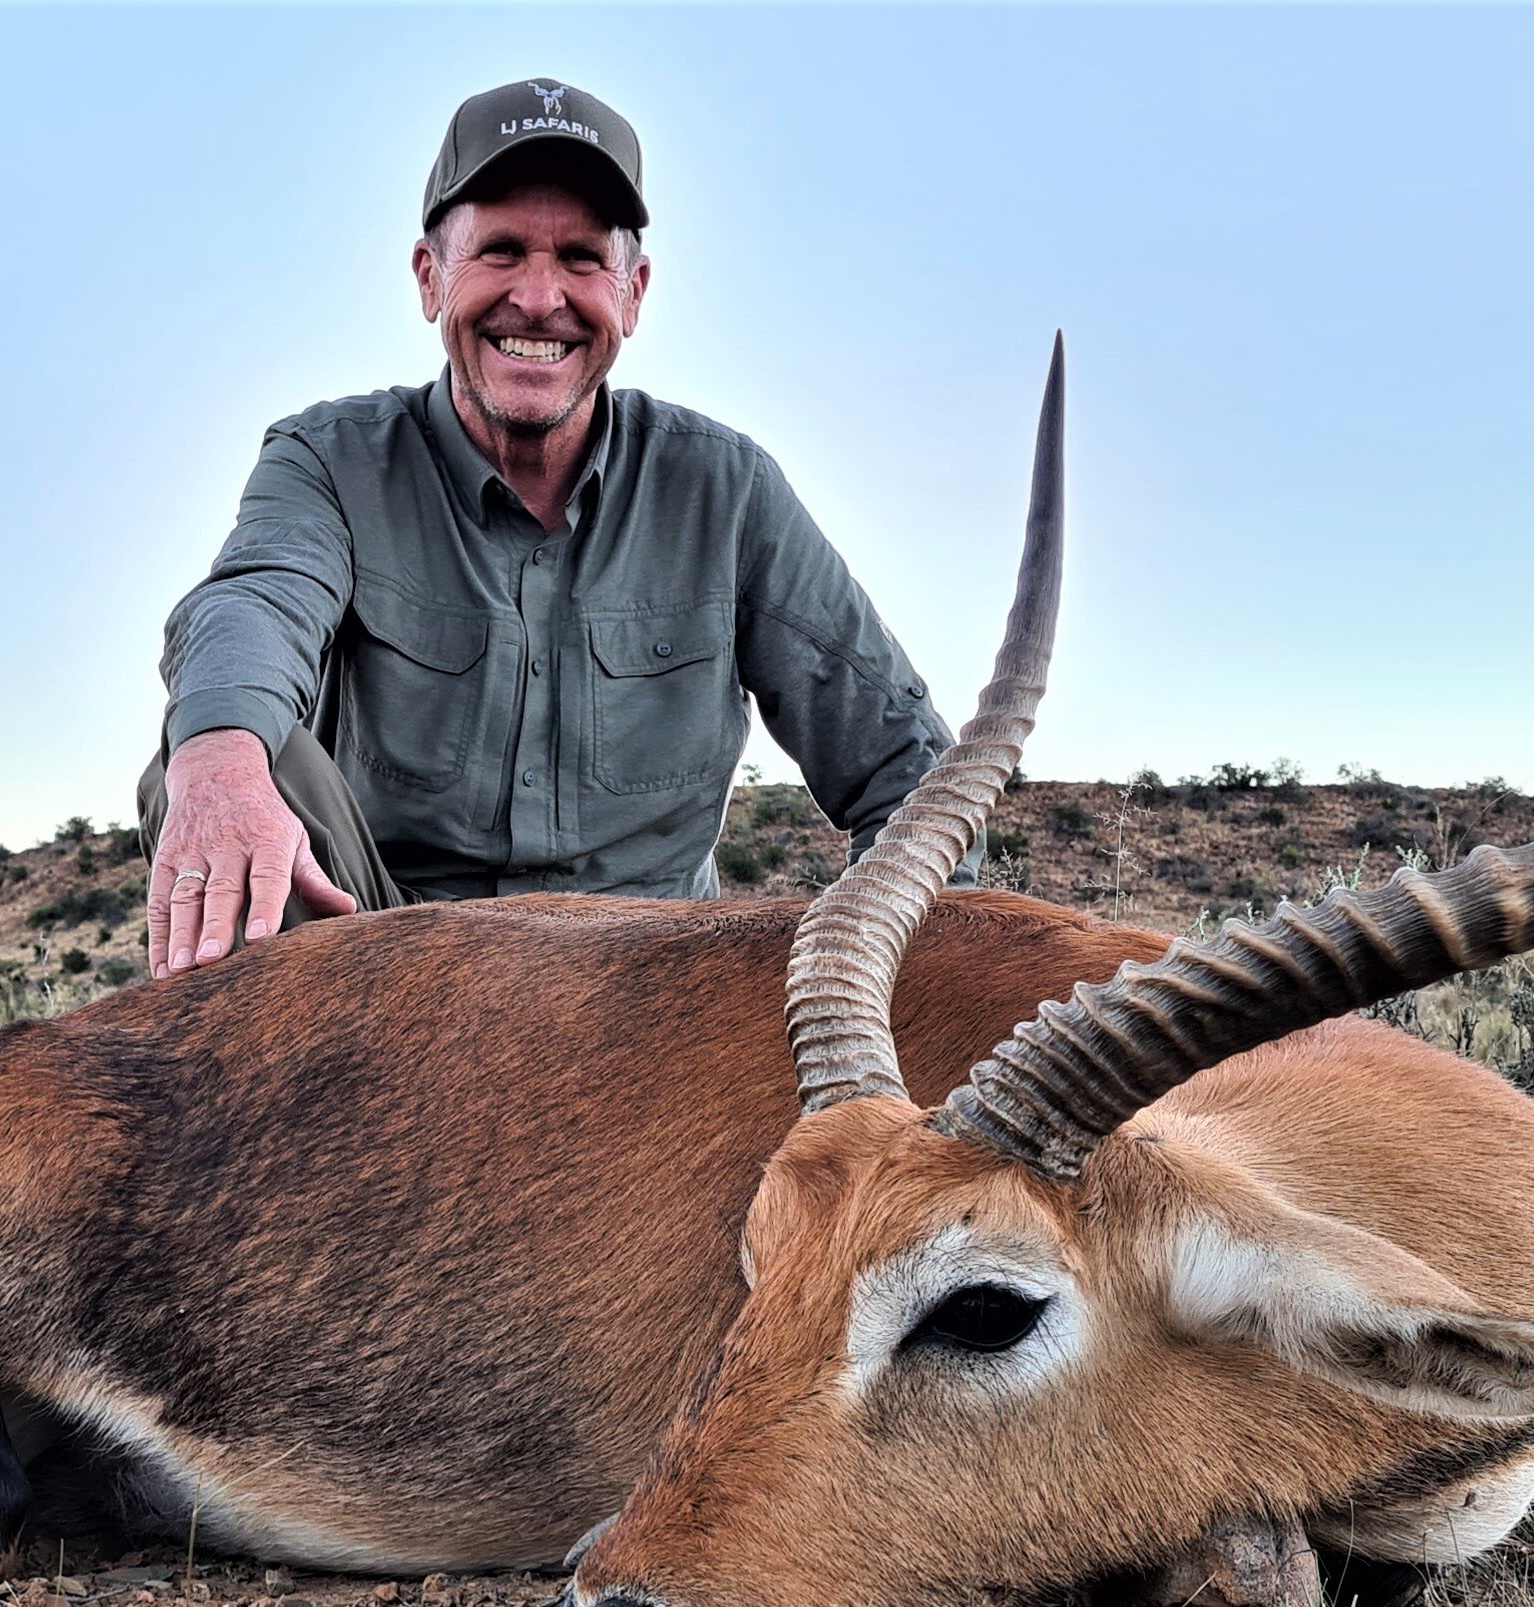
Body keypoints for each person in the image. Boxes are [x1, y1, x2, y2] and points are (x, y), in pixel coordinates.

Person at [143, 77, 961, 977]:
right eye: (499, 251)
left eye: (580, 258)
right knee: (222, 755)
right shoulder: (328, 458)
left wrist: (882, 987)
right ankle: (282, 1108)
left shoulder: (727, 490)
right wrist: (219, 756)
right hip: (381, 978)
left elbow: (905, 767)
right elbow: (256, 601)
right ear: (430, 278)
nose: (539, 299)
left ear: (633, 292)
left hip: (654, 996)